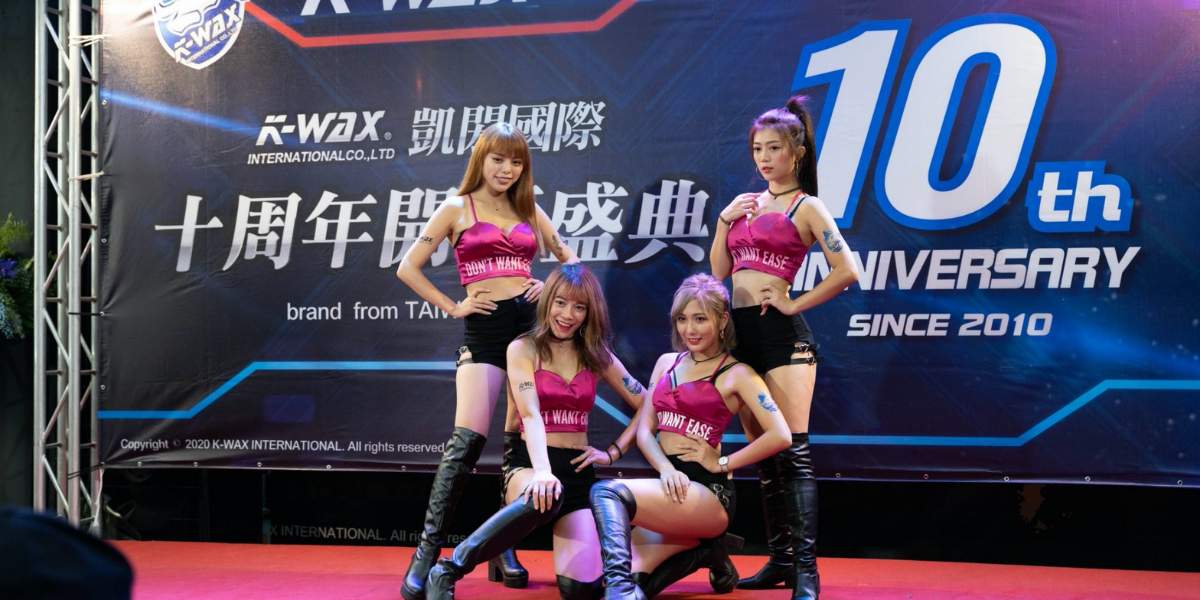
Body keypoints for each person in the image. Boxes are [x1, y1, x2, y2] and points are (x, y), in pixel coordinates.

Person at [395, 123, 579, 600]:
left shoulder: (529, 208)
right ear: (481, 159)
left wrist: (550, 286)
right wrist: (453, 306)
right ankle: (425, 554)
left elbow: (571, 262)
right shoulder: (457, 207)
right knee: (467, 442)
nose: (507, 169)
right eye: (499, 159)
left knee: (518, 438)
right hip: (485, 330)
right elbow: (407, 267)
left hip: (531, 330)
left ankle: (502, 547)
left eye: (516, 162)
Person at [708, 95, 860, 599]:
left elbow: (848, 270)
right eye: (757, 149)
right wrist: (724, 222)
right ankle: (780, 561)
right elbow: (720, 272)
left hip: (782, 340)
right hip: (740, 338)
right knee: (767, 458)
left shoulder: (806, 206)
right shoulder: (747, 205)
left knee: (792, 452)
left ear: (796, 152)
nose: (764, 158)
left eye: (774, 148)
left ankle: (807, 572)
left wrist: (795, 303)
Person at [424, 264, 646, 599]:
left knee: (580, 591)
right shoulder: (522, 348)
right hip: (529, 466)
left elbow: (648, 403)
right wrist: (543, 471)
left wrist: (613, 452)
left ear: (589, 313)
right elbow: (530, 414)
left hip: (578, 474)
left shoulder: (597, 355)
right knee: (545, 494)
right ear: (547, 301)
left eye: (579, 307)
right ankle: (448, 568)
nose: (567, 315)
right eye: (560, 302)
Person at [588, 273, 792, 599]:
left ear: (722, 320)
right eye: (682, 319)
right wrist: (666, 469)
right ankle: (709, 553)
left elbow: (781, 435)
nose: (689, 329)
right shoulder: (667, 363)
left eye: (700, 319)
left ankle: (621, 587)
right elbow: (645, 431)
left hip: (708, 494)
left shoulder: (737, 374)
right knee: (634, 581)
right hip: (669, 487)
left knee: (607, 493)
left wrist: (722, 462)